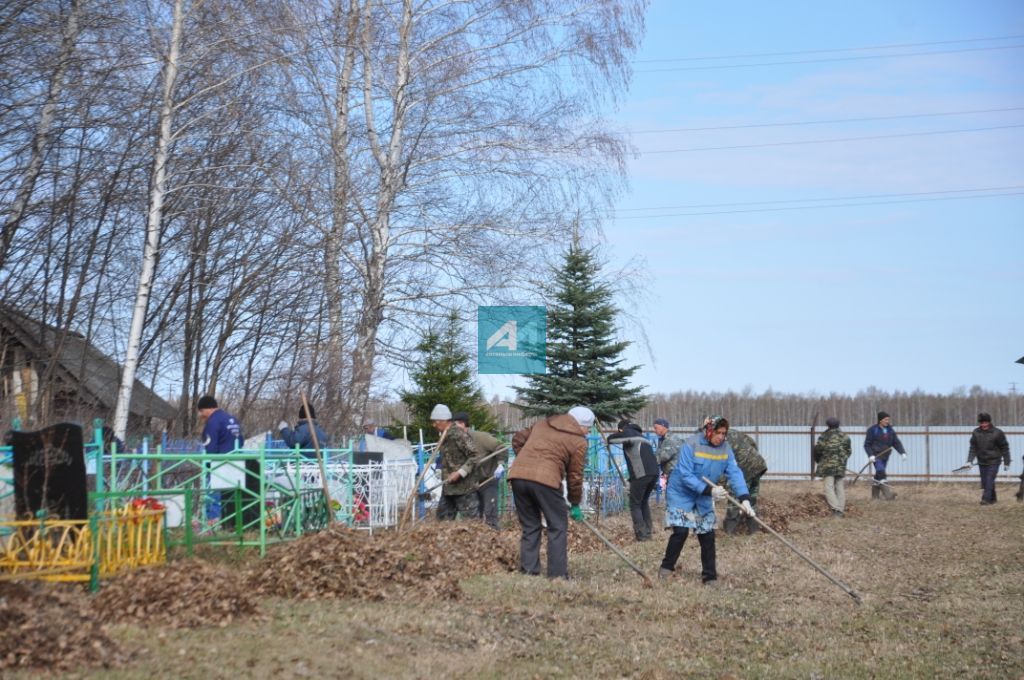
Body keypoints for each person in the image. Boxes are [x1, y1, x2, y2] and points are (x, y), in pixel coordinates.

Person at [659, 416, 754, 585]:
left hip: (703, 495)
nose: (721, 437)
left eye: (724, 433)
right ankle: (666, 567)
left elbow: (735, 473)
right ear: (709, 430)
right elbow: (685, 474)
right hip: (681, 493)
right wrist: (710, 490)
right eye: (718, 433)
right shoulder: (691, 444)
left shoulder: (725, 449)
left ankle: (709, 577)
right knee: (681, 532)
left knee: (707, 535)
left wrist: (745, 498)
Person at [507, 406, 593, 579]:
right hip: (545, 481)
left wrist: (526, 461)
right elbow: (575, 475)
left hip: (517, 477)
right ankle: (558, 575)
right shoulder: (579, 441)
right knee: (558, 526)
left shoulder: (542, 424)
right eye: (588, 429)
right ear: (581, 425)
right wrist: (575, 502)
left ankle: (529, 570)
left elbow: (517, 440)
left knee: (530, 525)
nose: (587, 433)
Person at [453, 411, 507, 530]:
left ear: (463, 424)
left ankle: (495, 540)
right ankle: (476, 542)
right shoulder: (457, 442)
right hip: (471, 483)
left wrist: (500, 464)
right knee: (472, 516)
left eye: (454, 425)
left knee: (490, 514)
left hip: (488, 480)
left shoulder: (481, 437)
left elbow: (501, 447)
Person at [607, 419, 660, 541]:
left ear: (621, 429)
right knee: (643, 502)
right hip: (653, 473)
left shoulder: (629, 433)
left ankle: (642, 535)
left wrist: (609, 439)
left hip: (641, 474)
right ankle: (648, 531)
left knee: (635, 504)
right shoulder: (641, 436)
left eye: (620, 431)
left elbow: (614, 439)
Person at [431, 404, 484, 521]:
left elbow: (475, 456)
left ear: (443, 421)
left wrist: (460, 472)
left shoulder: (459, 434)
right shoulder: (445, 436)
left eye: (435, 422)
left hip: (465, 489)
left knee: (471, 525)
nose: (433, 425)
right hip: (448, 489)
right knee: (442, 523)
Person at [197, 395, 243, 523]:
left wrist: (208, 466)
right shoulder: (232, 419)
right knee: (232, 497)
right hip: (237, 463)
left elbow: (210, 447)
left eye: (201, 411)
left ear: (207, 409)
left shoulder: (212, 422)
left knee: (213, 496)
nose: (201, 415)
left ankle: (213, 524)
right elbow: (241, 440)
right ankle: (231, 523)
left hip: (219, 465)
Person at [721, 430, 767, 534]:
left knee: (735, 499)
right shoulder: (732, 432)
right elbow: (752, 442)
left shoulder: (717, 441)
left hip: (743, 468)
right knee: (751, 499)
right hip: (758, 464)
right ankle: (754, 530)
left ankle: (730, 530)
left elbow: (721, 465)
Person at [966, 412, 1011, 505]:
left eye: (985, 422)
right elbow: (973, 447)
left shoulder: (997, 432)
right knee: (986, 481)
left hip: (994, 461)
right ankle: (993, 499)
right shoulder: (976, 432)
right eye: (981, 423)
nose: (983, 425)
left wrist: (1007, 461)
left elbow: (1004, 447)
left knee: (989, 479)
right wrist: (969, 461)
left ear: (989, 422)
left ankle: (985, 499)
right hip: (982, 461)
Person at [813, 417, 853, 517]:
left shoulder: (824, 436)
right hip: (840, 465)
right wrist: (842, 460)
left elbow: (818, 450)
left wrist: (819, 460)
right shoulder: (845, 436)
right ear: (838, 425)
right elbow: (849, 451)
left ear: (828, 425)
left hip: (827, 465)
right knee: (839, 486)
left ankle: (836, 509)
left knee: (829, 487)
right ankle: (840, 508)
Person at [863, 411, 906, 501]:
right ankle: (888, 496)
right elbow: (867, 444)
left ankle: (874, 497)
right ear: (880, 420)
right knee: (881, 471)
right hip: (876, 455)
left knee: (878, 475)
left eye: (888, 419)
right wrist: (870, 455)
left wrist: (902, 452)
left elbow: (896, 442)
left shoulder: (890, 430)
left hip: (886, 455)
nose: (887, 421)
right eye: (886, 419)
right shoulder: (872, 430)